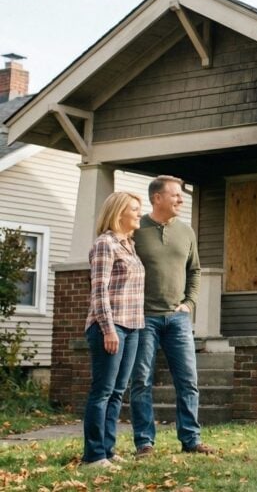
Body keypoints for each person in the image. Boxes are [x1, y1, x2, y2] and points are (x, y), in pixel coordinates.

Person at [130, 175, 215, 456]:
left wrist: (189, 302)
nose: (181, 199)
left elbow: (195, 270)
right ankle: (144, 442)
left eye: (181, 195)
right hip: (144, 318)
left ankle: (191, 440)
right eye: (175, 195)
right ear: (157, 198)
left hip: (177, 318)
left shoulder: (186, 232)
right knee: (141, 380)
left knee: (188, 380)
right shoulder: (135, 229)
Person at [82, 192, 145, 469]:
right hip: (111, 326)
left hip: (132, 326)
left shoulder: (129, 245)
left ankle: (107, 449)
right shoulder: (105, 244)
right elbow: (99, 292)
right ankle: (93, 456)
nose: (139, 214)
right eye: (134, 209)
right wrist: (108, 330)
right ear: (119, 213)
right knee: (103, 391)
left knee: (119, 391)